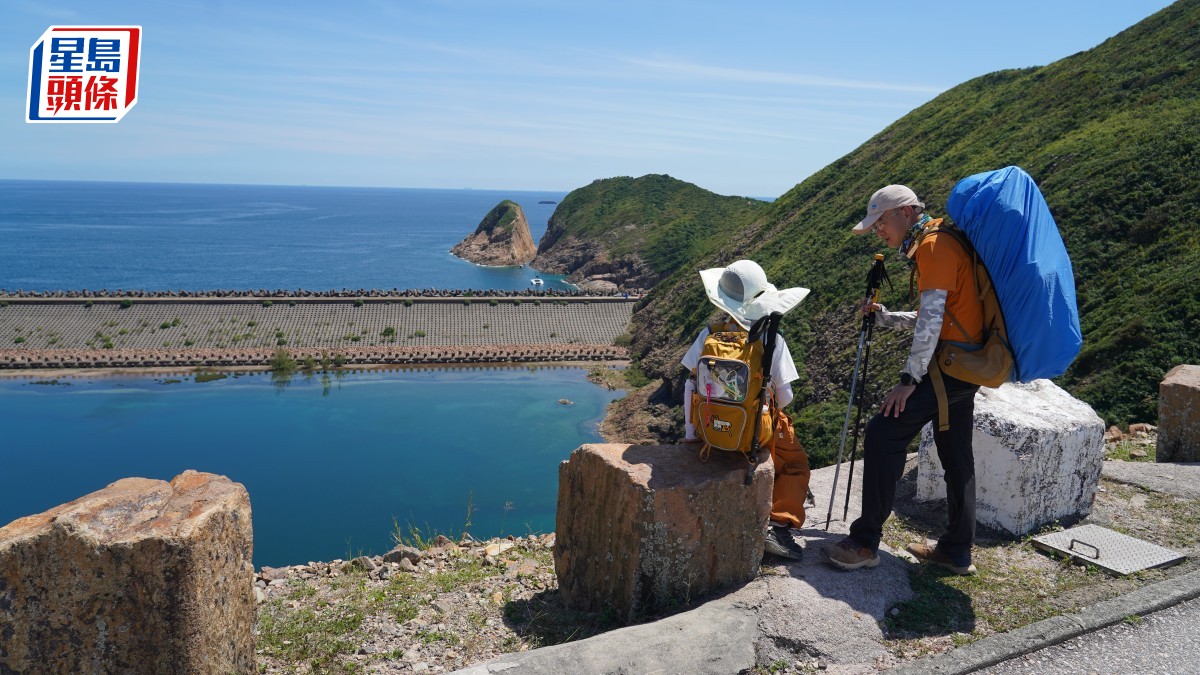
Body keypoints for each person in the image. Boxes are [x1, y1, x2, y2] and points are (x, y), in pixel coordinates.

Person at [821, 185, 983, 575]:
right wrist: (887, 316)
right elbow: (939, 314)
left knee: (883, 433)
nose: (878, 230)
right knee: (955, 451)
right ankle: (956, 551)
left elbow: (930, 323)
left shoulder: (931, 247)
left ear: (907, 212)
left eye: (882, 221)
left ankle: (863, 542)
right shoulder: (942, 240)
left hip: (947, 367)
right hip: (970, 362)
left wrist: (909, 379)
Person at [681, 260, 812, 560]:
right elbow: (786, 397)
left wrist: (691, 434)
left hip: (709, 429)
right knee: (795, 465)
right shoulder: (771, 338)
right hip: (754, 434)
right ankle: (779, 527)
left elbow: (690, 385)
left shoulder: (710, 333)